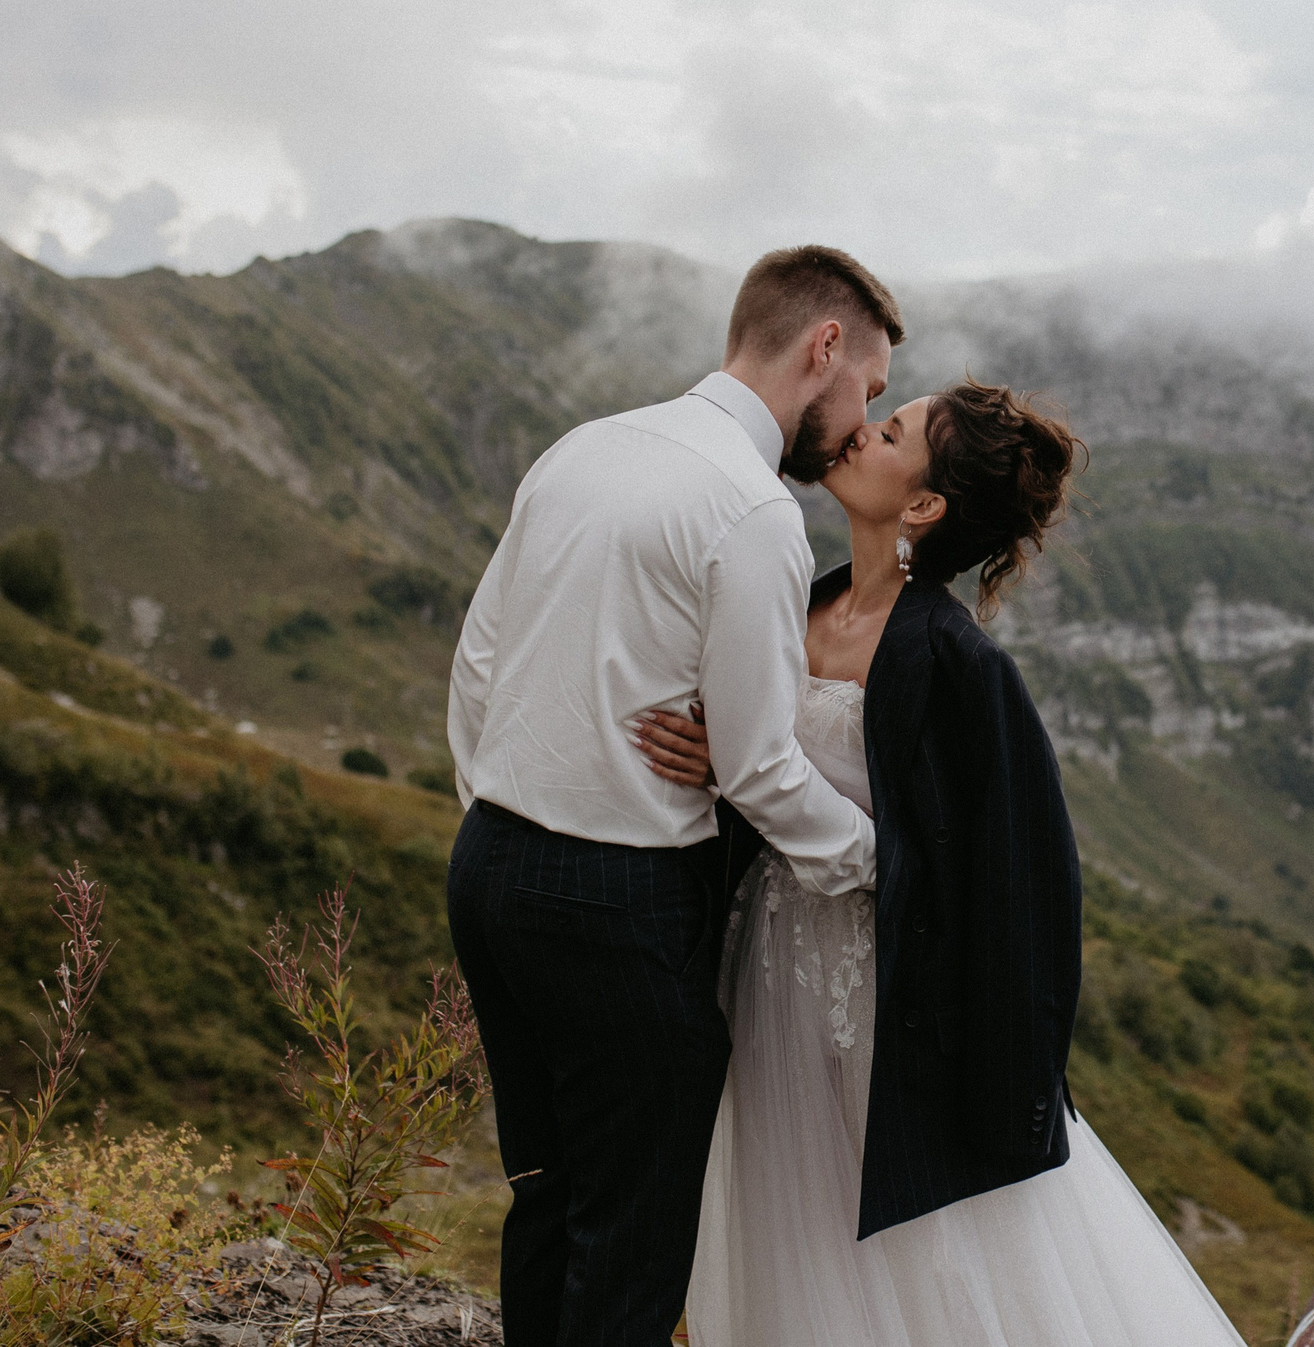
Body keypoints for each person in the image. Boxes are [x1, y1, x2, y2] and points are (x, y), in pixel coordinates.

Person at [633, 379, 1248, 1346]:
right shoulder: (803, 598)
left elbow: (1015, 873)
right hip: (762, 972)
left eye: (892, 431)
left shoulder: (962, 663)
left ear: (923, 506)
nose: (860, 432)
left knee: (912, 1254)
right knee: (790, 1227)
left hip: (888, 997)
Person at [444, 246, 904, 1347]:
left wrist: (505, 806)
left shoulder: (583, 449)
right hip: (624, 902)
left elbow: (476, 666)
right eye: (870, 393)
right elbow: (757, 770)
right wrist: (883, 857)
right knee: (635, 1236)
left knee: (548, 1194)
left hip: (490, 873)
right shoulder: (749, 510)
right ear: (822, 348)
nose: (858, 423)